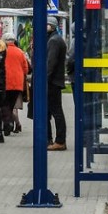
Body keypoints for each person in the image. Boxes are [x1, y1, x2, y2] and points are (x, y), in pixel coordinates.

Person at [1, 33, 29, 134]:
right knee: (11, 105)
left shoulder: (2, 51)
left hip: (5, 82)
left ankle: (8, 124)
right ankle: (10, 123)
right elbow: (26, 69)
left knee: (4, 104)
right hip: (18, 84)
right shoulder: (20, 52)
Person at [47, 16, 68, 151]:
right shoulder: (56, 39)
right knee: (55, 110)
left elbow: (51, 63)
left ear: (51, 26)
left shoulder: (53, 41)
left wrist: (44, 80)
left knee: (56, 111)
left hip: (52, 82)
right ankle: (56, 139)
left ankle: (60, 140)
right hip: (55, 81)